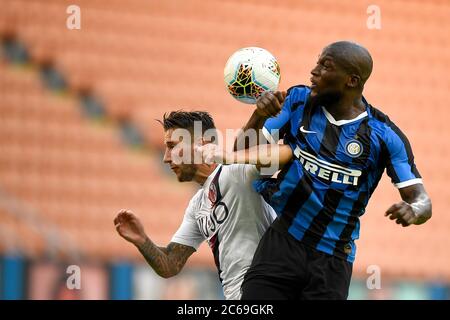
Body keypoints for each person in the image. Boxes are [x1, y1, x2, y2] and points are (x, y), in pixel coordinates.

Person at [198, 41, 432, 300]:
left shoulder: (384, 136)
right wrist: (259, 116)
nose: (314, 71)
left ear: (351, 80)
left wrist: (413, 210)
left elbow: (422, 200)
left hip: (332, 261)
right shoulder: (297, 101)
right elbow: (242, 154)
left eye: (325, 66)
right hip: (282, 243)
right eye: (317, 62)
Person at [113, 111, 276, 300]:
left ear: (202, 144)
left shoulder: (238, 172)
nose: (166, 158)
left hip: (268, 288)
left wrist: (259, 115)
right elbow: (170, 264)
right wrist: (142, 240)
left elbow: (266, 160)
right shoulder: (197, 205)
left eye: (172, 146)